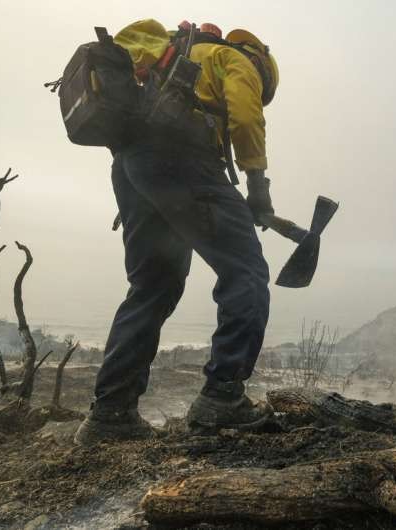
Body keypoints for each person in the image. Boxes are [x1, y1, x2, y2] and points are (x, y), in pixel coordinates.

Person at [75, 19, 280, 444]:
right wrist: (257, 186)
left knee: (152, 286)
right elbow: (245, 116)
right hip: (181, 158)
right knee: (246, 272)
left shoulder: (176, 55)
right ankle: (223, 397)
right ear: (262, 60)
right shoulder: (233, 57)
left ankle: (110, 414)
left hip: (133, 168)